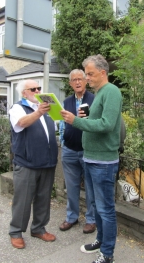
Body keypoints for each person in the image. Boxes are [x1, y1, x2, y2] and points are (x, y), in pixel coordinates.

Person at [61, 54, 122, 263]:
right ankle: (101, 240)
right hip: (91, 158)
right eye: (85, 74)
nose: (86, 78)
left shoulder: (111, 92)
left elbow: (106, 125)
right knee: (96, 205)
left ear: (103, 73)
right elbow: (96, 121)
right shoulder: (100, 93)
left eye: (90, 74)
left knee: (105, 209)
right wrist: (85, 118)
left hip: (103, 162)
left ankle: (107, 253)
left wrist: (77, 121)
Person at [8, 79, 58, 249]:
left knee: (43, 198)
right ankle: (16, 232)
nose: (37, 91)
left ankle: (38, 228)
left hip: (47, 161)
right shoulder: (18, 108)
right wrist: (39, 112)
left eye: (39, 88)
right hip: (27, 162)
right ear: (24, 93)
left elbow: (56, 126)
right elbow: (21, 123)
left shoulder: (45, 108)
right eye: (33, 89)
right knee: (23, 199)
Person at [59, 69, 96, 234]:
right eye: (74, 80)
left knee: (90, 187)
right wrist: (62, 140)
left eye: (80, 79)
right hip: (69, 150)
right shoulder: (66, 102)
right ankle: (72, 217)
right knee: (72, 187)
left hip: (88, 150)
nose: (78, 82)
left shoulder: (94, 99)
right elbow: (62, 123)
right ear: (70, 83)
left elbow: (99, 124)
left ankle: (91, 219)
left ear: (86, 81)